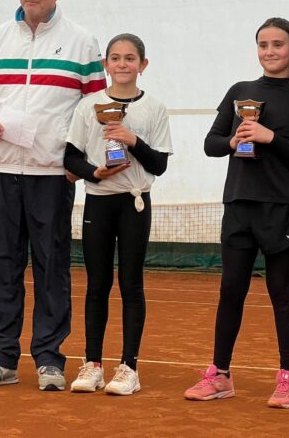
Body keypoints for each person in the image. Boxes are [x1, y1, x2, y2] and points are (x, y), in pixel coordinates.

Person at [0, 0, 107, 391]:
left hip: (52, 174)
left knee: (52, 265)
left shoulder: (82, 43)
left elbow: (96, 111)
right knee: (2, 263)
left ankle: (49, 359)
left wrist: (75, 163)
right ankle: (2, 359)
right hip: (2, 169)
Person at [184, 18, 289, 409]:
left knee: (281, 293)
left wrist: (269, 137)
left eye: (278, 44)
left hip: (283, 209)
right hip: (239, 204)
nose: (269, 51)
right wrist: (233, 139)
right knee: (231, 290)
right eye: (262, 44)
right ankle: (220, 375)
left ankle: (288, 379)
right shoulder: (240, 92)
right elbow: (210, 144)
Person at [64, 33, 173, 396]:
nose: (122, 64)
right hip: (98, 200)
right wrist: (94, 172)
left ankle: (129, 367)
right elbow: (70, 158)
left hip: (134, 202)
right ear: (106, 65)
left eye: (130, 58)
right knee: (96, 285)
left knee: (131, 283)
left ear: (143, 65)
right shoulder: (88, 106)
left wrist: (132, 140)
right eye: (115, 58)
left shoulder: (154, 108)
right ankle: (92, 364)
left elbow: (159, 163)